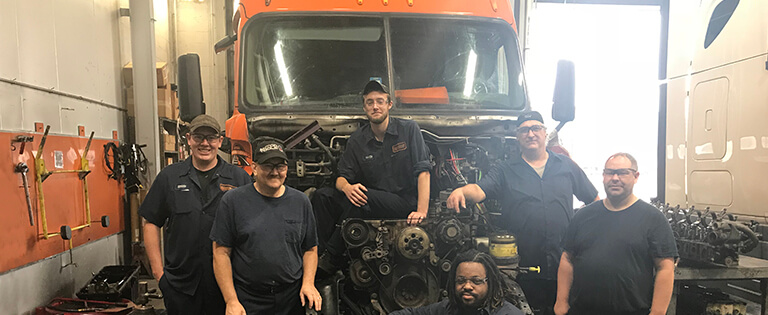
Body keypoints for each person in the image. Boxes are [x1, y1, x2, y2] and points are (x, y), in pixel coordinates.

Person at [446, 111, 598, 315]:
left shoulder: (566, 165)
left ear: (545, 133)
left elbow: (594, 201)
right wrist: (461, 191)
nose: (531, 134)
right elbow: (480, 189)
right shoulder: (505, 169)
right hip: (522, 269)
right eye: (524, 130)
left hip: (563, 263)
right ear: (518, 137)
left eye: (536, 128)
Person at [311, 80, 432, 271]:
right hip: (371, 202)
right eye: (370, 102)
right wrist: (347, 187)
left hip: (403, 202)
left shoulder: (409, 130)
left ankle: (332, 258)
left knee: (363, 196)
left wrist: (421, 211)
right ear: (364, 107)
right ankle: (318, 256)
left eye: (380, 101)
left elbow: (423, 171)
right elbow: (341, 177)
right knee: (322, 197)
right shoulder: (357, 140)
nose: (375, 106)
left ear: (389, 104)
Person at [139, 114, 253, 315]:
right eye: (199, 137)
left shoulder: (239, 178)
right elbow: (150, 222)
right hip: (181, 286)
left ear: (220, 141)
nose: (205, 143)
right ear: (189, 139)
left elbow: (252, 228)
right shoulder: (170, 177)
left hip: (228, 288)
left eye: (211, 138)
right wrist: (159, 275)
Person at [555, 153, 677, 315]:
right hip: (582, 310)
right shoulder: (583, 216)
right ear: (603, 176)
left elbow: (665, 267)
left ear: (636, 176)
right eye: (609, 172)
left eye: (622, 172)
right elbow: (567, 259)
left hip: (632, 311)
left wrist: (657, 312)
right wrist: (561, 302)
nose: (615, 178)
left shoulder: (653, 218)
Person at [210, 139, 322, 314]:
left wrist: (308, 283)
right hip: (249, 299)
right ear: (254, 168)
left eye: (281, 166)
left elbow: (310, 249)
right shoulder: (233, 201)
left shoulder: (301, 201)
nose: (275, 172)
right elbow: (221, 252)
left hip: (291, 299)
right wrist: (231, 300)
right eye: (268, 166)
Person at [390, 249, 525, 315]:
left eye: (476, 281)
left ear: (490, 283)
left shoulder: (508, 313)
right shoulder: (449, 309)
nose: (467, 286)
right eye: (461, 281)